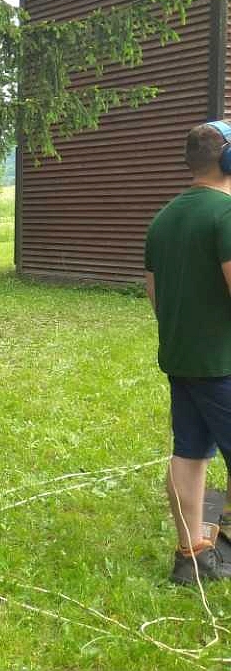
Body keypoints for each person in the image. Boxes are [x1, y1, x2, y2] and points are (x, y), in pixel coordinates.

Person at [145, 121, 231, 585]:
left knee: (190, 453)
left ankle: (191, 554)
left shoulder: (163, 219)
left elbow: (154, 294)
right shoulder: (227, 214)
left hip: (183, 360)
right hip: (224, 363)